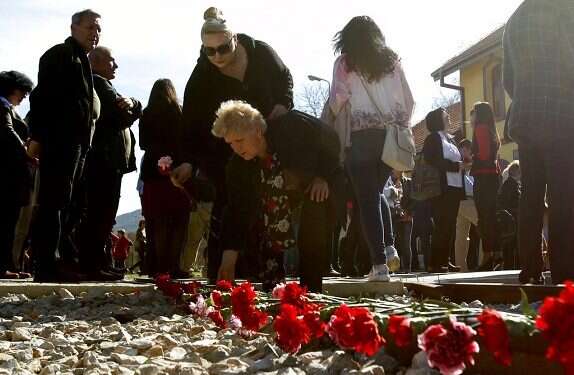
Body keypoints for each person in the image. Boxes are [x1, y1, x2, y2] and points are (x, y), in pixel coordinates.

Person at [170, 7, 294, 284]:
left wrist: (282, 104)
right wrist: (189, 160)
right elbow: (190, 122)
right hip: (226, 154)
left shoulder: (261, 53)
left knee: (269, 205)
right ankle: (224, 274)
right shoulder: (202, 76)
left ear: (235, 39)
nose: (217, 57)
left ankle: (269, 273)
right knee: (231, 205)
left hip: (266, 141)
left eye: (223, 48)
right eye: (209, 51)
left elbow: (284, 78)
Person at [213, 100, 341, 292]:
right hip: (277, 210)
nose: (236, 149)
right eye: (230, 143)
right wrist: (229, 256)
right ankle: (274, 289)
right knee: (262, 223)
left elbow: (331, 139)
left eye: (239, 140)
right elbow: (237, 207)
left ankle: (311, 292)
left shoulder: (292, 125)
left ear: (257, 130)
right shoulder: (238, 166)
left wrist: (322, 176)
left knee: (313, 218)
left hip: (316, 188)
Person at [329, 16, 414, 281]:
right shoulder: (392, 62)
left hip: (360, 138)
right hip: (388, 138)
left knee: (367, 201)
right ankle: (388, 248)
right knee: (375, 195)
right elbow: (409, 102)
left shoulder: (345, 62)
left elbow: (337, 99)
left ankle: (380, 267)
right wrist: (398, 125)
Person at [503, 0, 574, 284]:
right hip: (561, 115)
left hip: (527, 117)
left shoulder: (516, 19)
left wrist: (526, 96)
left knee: (530, 195)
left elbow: (508, 79)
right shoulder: (565, 10)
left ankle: (531, 269)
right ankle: (564, 270)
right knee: (563, 197)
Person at [28, 9, 101, 282]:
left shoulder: (82, 61)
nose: (95, 34)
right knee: (53, 202)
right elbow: (42, 98)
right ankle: (45, 264)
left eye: (98, 30)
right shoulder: (60, 55)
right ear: (74, 27)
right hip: (59, 141)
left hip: (77, 144)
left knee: (66, 202)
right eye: (90, 28)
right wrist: (37, 138)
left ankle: (55, 260)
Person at [75, 46, 142, 280]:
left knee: (101, 214)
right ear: (99, 61)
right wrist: (135, 105)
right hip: (104, 161)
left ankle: (99, 262)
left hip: (102, 160)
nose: (116, 66)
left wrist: (131, 101)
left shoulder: (97, 84)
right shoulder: (100, 84)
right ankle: (94, 264)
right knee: (100, 213)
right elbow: (121, 117)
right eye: (112, 61)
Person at [139, 79, 192, 278]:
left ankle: (157, 266)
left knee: (156, 220)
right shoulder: (179, 112)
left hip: (152, 172)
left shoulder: (146, 114)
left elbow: (143, 144)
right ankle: (174, 265)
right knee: (178, 220)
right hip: (176, 172)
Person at [0, 71, 35, 279]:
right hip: (6, 176)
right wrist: (27, 153)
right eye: (22, 92)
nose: (24, 96)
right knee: (5, 222)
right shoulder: (3, 107)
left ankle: (6, 265)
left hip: (9, 175)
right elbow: (7, 131)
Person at [422, 108, 464, 273]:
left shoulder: (449, 138)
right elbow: (432, 160)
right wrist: (455, 166)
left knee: (450, 226)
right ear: (438, 119)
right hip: (441, 188)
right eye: (445, 114)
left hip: (454, 188)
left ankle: (445, 260)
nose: (448, 116)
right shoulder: (433, 138)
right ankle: (434, 263)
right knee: (441, 225)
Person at [470, 102, 502, 271]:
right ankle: (497, 254)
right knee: (492, 215)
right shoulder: (491, 129)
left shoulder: (480, 128)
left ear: (479, 114)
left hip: (483, 177)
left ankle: (487, 255)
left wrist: (471, 158)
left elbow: (482, 154)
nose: (472, 115)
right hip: (493, 177)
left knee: (484, 217)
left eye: (474, 111)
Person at [453, 139, 479, 272]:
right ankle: (465, 266)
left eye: (466, 149)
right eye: (462, 149)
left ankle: (461, 267)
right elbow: (469, 186)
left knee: (462, 235)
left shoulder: (472, 165)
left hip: (464, 200)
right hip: (466, 200)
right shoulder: (461, 165)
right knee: (482, 225)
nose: (464, 152)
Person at [385, 170, 414, 273]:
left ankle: (407, 267)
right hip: (395, 216)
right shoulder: (389, 181)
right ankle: (395, 267)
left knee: (406, 243)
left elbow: (413, 199)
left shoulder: (408, 182)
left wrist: (408, 212)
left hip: (407, 217)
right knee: (394, 242)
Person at [497, 161, 521, 269]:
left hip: (508, 221)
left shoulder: (508, 184)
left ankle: (509, 267)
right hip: (512, 221)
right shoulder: (512, 185)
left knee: (509, 248)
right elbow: (512, 203)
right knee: (511, 248)